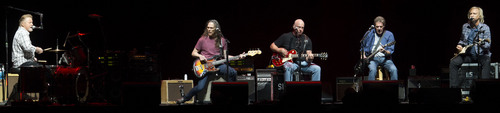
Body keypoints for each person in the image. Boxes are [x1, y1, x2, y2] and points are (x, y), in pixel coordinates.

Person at [176, 19, 245, 104]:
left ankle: (232, 95)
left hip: (218, 64)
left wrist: (238, 57)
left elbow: (225, 56)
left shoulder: (222, 40)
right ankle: (184, 98)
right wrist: (200, 56)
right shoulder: (202, 39)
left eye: (211, 28)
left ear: (216, 29)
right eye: (208, 28)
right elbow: (193, 52)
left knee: (232, 72)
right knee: (200, 87)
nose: (209, 29)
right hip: (205, 66)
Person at [449, 6, 491, 88]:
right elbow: (462, 39)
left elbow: (487, 46)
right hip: (468, 55)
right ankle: (454, 90)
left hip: (481, 55)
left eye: (474, 14)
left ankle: (485, 89)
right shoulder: (465, 26)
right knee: (453, 62)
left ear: (479, 16)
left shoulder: (485, 27)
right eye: (470, 13)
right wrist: (460, 45)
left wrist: (481, 43)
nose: (471, 15)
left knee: (487, 61)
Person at [360, 16, 398, 80]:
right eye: (377, 27)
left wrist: (384, 51)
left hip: (385, 59)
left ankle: (393, 89)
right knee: (372, 70)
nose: (379, 28)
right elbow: (363, 45)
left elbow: (390, 51)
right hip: (373, 59)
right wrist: (363, 55)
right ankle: (370, 88)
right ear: (374, 26)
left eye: (381, 27)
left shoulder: (389, 34)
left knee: (394, 70)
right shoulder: (369, 33)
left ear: (384, 26)